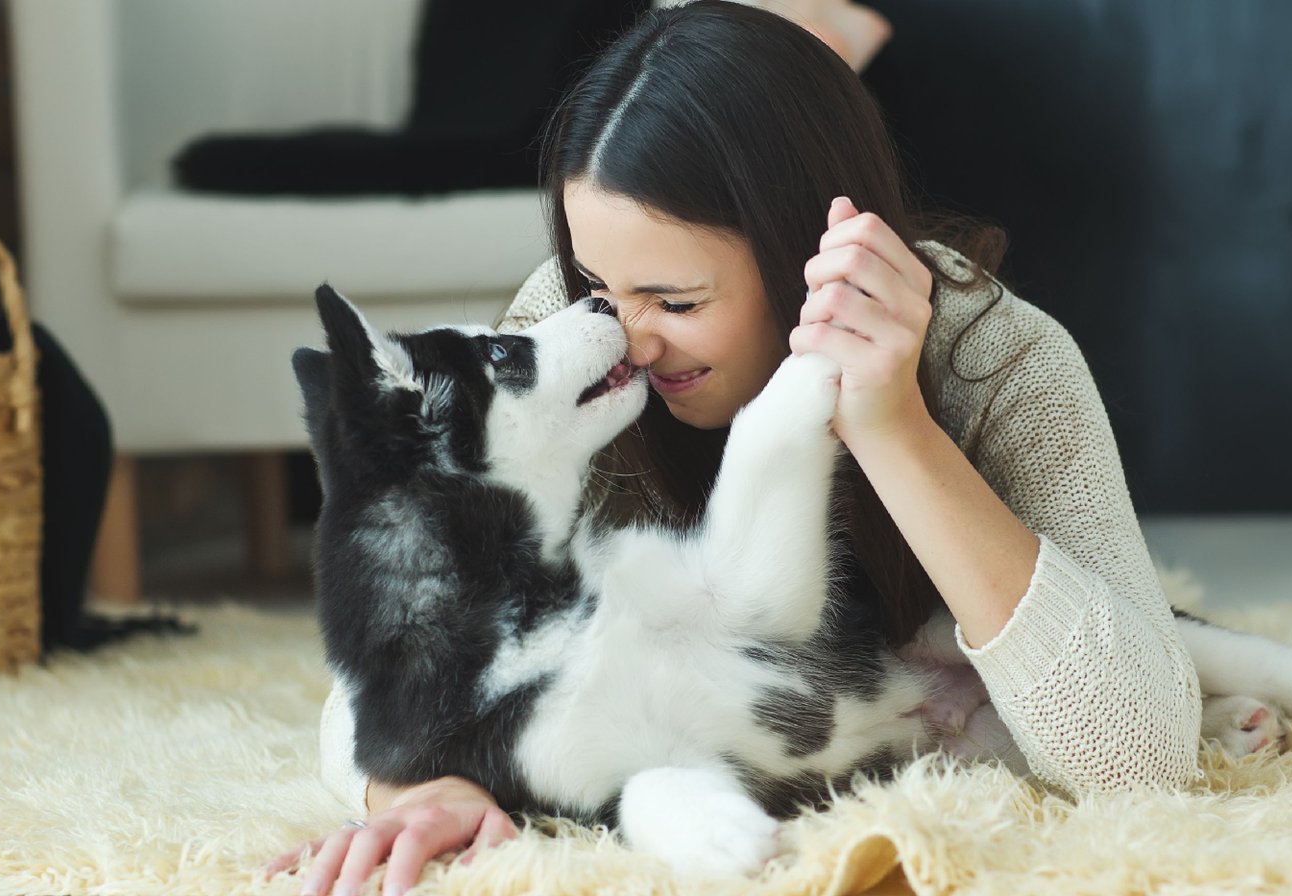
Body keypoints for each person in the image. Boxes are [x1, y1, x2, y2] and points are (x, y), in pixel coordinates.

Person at [267, 3, 1202, 894]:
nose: (625, 335)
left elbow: (1140, 755)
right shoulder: (572, 337)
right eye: (594, 280)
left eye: (676, 303)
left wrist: (890, 422)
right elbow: (392, 667)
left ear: (807, 254)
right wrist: (425, 787)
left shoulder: (999, 357)